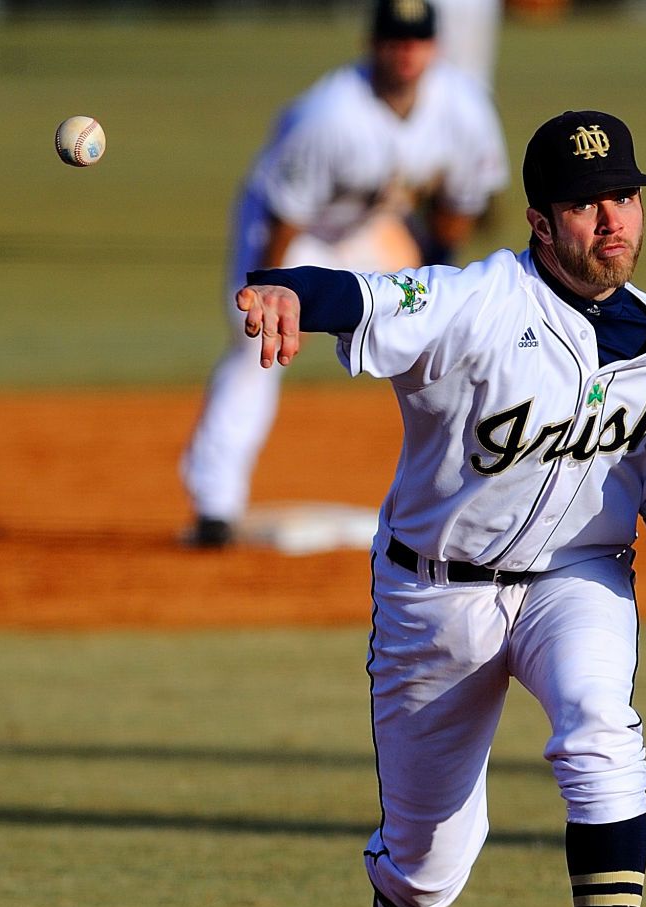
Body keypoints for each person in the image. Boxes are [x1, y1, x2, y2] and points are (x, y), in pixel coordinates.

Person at [233, 110, 646, 907]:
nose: (613, 222)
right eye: (588, 204)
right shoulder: (473, 302)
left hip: (578, 580)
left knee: (601, 734)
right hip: (437, 596)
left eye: (626, 200)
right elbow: (365, 297)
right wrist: (295, 289)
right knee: (428, 854)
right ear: (542, 217)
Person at [179, 0, 508, 549]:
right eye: (394, 40)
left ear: (435, 47)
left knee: (459, 337)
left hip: (374, 229)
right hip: (295, 228)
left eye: (417, 40)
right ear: (372, 45)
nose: (406, 52)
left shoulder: (463, 106)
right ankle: (215, 503)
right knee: (257, 345)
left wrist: (442, 293)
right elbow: (285, 216)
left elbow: (462, 204)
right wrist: (272, 289)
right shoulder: (330, 115)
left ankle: (469, 493)